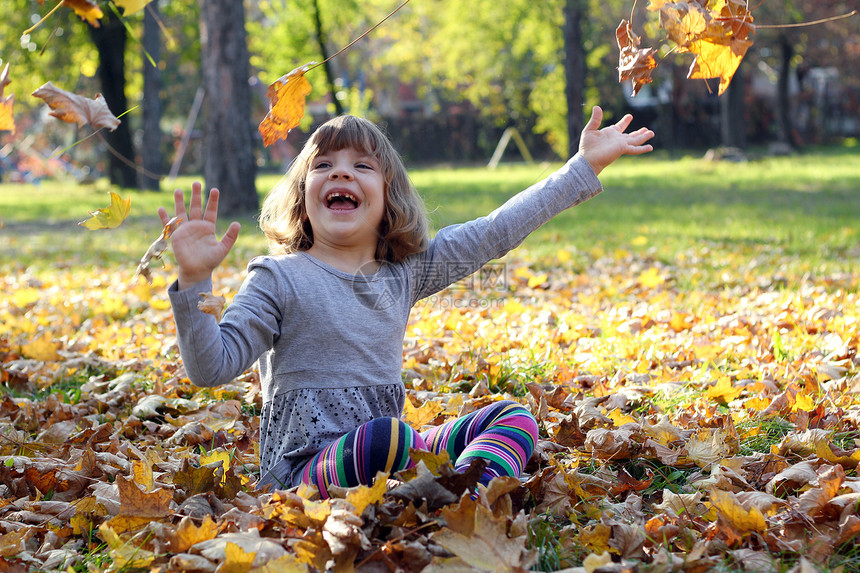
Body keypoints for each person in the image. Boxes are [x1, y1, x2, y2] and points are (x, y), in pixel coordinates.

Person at [160, 107, 654, 498]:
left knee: (512, 417)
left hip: (394, 451)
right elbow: (210, 367)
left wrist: (581, 167)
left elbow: (493, 232)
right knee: (388, 438)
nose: (342, 174)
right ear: (301, 193)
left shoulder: (404, 273)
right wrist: (195, 281)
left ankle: (462, 495)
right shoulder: (278, 278)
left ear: (387, 194)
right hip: (305, 472)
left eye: (361, 166)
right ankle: (431, 486)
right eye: (324, 165)